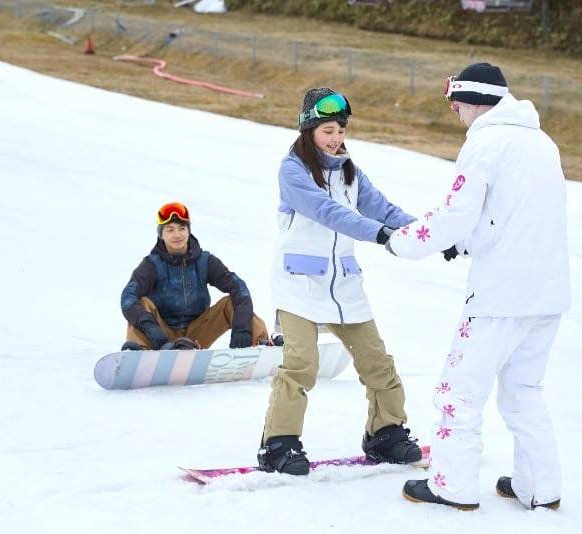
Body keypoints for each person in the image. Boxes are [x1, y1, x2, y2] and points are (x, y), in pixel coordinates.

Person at [388, 63, 571, 510]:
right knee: (523, 391)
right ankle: (539, 487)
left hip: (499, 296)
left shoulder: (485, 142)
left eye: (456, 102)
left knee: (459, 391)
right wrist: (465, 245)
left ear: (473, 102)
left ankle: (451, 486)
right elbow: (509, 217)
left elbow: (455, 213)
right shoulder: (541, 142)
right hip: (547, 293)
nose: (454, 111)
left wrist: (402, 242)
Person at [257, 88, 423, 476]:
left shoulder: (348, 169)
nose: (335, 138)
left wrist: (430, 234)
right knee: (301, 364)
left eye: (340, 130)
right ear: (309, 129)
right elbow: (327, 212)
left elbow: (383, 208)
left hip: (344, 284)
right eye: (327, 130)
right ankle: (278, 444)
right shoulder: (293, 169)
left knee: (377, 364)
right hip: (299, 283)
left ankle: (386, 433)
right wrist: (380, 235)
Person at [120, 201, 272, 351]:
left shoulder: (204, 261)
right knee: (141, 302)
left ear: (188, 231)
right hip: (161, 335)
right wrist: (149, 327)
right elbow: (128, 296)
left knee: (232, 302)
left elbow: (238, 286)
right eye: (170, 230)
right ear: (161, 235)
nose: (177, 234)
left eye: (182, 228)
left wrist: (242, 328)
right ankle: (138, 354)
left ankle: (259, 344)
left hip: (198, 333)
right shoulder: (151, 265)